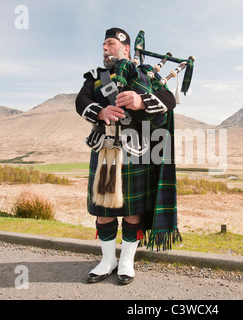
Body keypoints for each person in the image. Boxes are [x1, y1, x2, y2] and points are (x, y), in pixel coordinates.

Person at [75, 28, 180, 285]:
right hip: (105, 150)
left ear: (126, 49)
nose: (105, 49)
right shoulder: (97, 78)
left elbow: (169, 99)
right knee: (104, 208)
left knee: (132, 210)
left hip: (135, 152)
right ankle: (107, 260)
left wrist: (141, 100)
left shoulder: (144, 75)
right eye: (103, 45)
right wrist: (100, 112)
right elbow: (81, 100)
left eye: (110, 44)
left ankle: (126, 262)